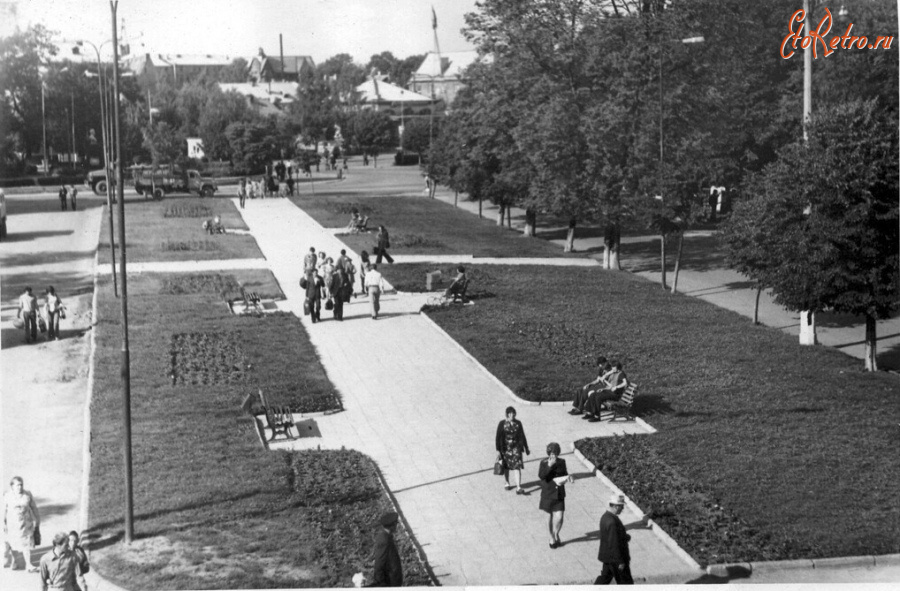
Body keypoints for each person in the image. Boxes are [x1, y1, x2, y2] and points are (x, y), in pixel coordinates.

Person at [538, 442, 572, 549]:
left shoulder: (562, 462)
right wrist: (549, 466)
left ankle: (556, 533)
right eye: (552, 454)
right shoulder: (543, 462)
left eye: (555, 454)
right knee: (549, 516)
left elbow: (565, 473)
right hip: (548, 493)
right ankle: (551, 537)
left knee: (560, 517)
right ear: (548, 453)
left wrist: (568, 477)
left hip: (559, 493)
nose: (553, 456)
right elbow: (542, 476)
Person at [3, 476, 40, 571]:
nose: (20, 487)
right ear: (12, 486)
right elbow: (3, 511)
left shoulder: (27, 494)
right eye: (17, 485)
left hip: (26, 524)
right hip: (13, 524)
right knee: (13, 543)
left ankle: (28, 564)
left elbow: (34, 508)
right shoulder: (7, 496)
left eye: (21, 485)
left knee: (26, 544)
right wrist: (3, 523)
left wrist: (37, 519)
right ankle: (14, 561)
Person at [596, 493, 634, 585]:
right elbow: (614, 543)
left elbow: (610, 536)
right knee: (626, 583)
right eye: (621, 506)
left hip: (607, 557)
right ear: (616, 506)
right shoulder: (612, 521)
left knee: (604, 579)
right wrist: (620, 561)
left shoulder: (605, 517)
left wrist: (624, 537)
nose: (623, 509)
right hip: (615, 559)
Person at [495, 406, 530, 494]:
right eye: (510, 413)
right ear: (507, 414)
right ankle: (507, 482)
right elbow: (498, 437)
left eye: (513, 413)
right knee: (506, 466)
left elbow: (522, 435)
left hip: (516, 448)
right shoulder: (502, 423)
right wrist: (498, 450)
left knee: (517, 466)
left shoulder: (518, 423)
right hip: (505, 448)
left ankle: (518, 487)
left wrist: (526, 448)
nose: (512, 415)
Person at [370, 512, 402, 587]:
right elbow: (379, 562)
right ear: (392, 526)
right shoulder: (384, 540)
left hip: (392, 580)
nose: (396, 526)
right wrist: (381, 583)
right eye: (395, 524)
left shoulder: (387, 536)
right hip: (389, 582)